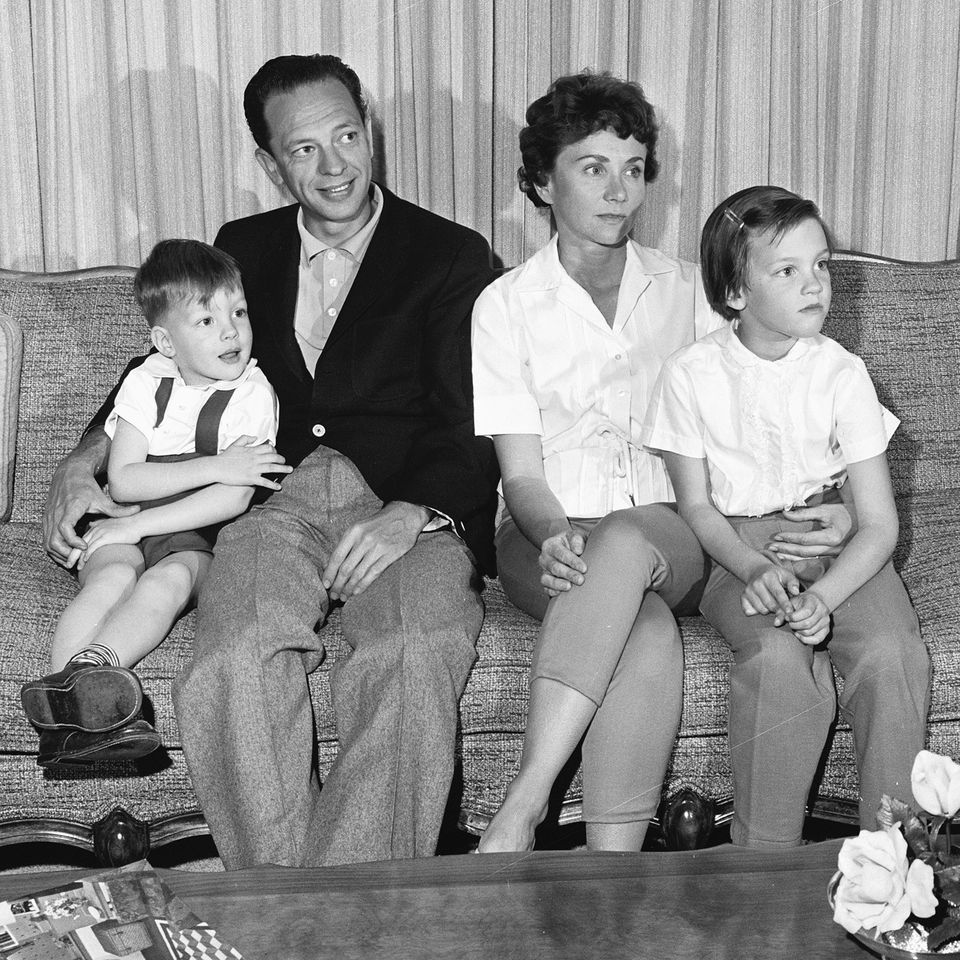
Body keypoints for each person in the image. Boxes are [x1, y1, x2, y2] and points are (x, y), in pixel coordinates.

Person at [43, 54, 499, 868]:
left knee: (413, 651)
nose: (336, 166)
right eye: (304, 150)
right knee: (233, 657)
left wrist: (409, 515)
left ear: (370, 131)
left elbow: (473, 422)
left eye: (348, 136)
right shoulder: (240, 246)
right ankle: (282, 907)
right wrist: (84, 458)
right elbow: (156, 372)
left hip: (403, 508)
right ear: (269, 163)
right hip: (269, 504)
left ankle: (340, 919)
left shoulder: (451, 255)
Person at [470, 73, 851, 853]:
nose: (620, 190)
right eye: (593, 167)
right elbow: (522, 475)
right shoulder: (504, 305)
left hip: (674, 533)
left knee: (645, 555)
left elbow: (787, 405)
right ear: (542, 181)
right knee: (644, 636)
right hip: (549, 532)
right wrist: (550, 534)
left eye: (634, 167)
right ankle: (610, 873)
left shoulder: (694, 291)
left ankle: (523, 804)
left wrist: (840, 500)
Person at [643, 186, 931, 847]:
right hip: (735, 545)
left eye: (822, 265)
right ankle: (761, 863)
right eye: (788, 270)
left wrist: (825, 598)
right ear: (736, 293)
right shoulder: (689, 375)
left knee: (892, 654)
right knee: (778, 657)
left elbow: (879, 525)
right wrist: (749, 568)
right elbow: (695, 507)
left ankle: (895, 864)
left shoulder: (843, 373)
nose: (816, 285)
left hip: (833, 538)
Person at [22, 239, 285, 767]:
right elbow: (124, 482)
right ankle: (65, 696)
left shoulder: (254, 392)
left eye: (237, 312)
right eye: (205, 321)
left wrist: (149, 520)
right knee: (111, 578)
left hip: (195, 524)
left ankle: (90, 674)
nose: (231, 331)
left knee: (169, 581)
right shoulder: (144, 382)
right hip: (123, 516)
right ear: (165, 341)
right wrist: (215, 466)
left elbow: (232, 499)